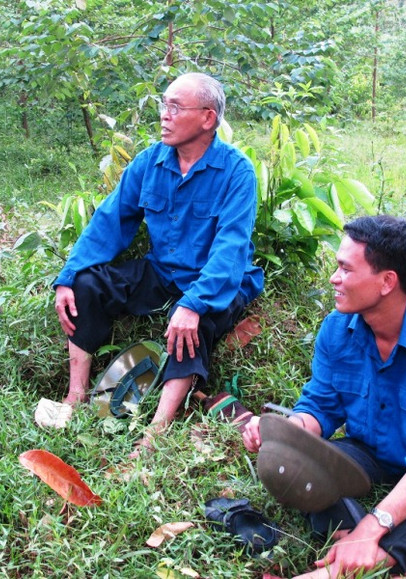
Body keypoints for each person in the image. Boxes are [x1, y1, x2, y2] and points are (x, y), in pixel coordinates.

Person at [242, 215, 406, 578]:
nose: (334, 278)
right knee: (296, 465)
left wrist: (373, 525)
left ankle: (376, 554)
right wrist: (288, 433)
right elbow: (320, 406)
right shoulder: (337, 328)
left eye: (345, 270)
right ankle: (359, 548)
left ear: (386, 282)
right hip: (368, 454)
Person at [53, 72, 263, 453]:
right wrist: (68, 277)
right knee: (87, 284)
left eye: (175, 107)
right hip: (163, 272)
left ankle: (155, 433)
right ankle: (76, 395)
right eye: (163, 105)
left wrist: (193, 304)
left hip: (216, 282)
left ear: (208, 118)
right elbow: (110, 221)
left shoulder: (237, 172)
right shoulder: (150, 162)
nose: (164, 115)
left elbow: (230, 251)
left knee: (190, 329)